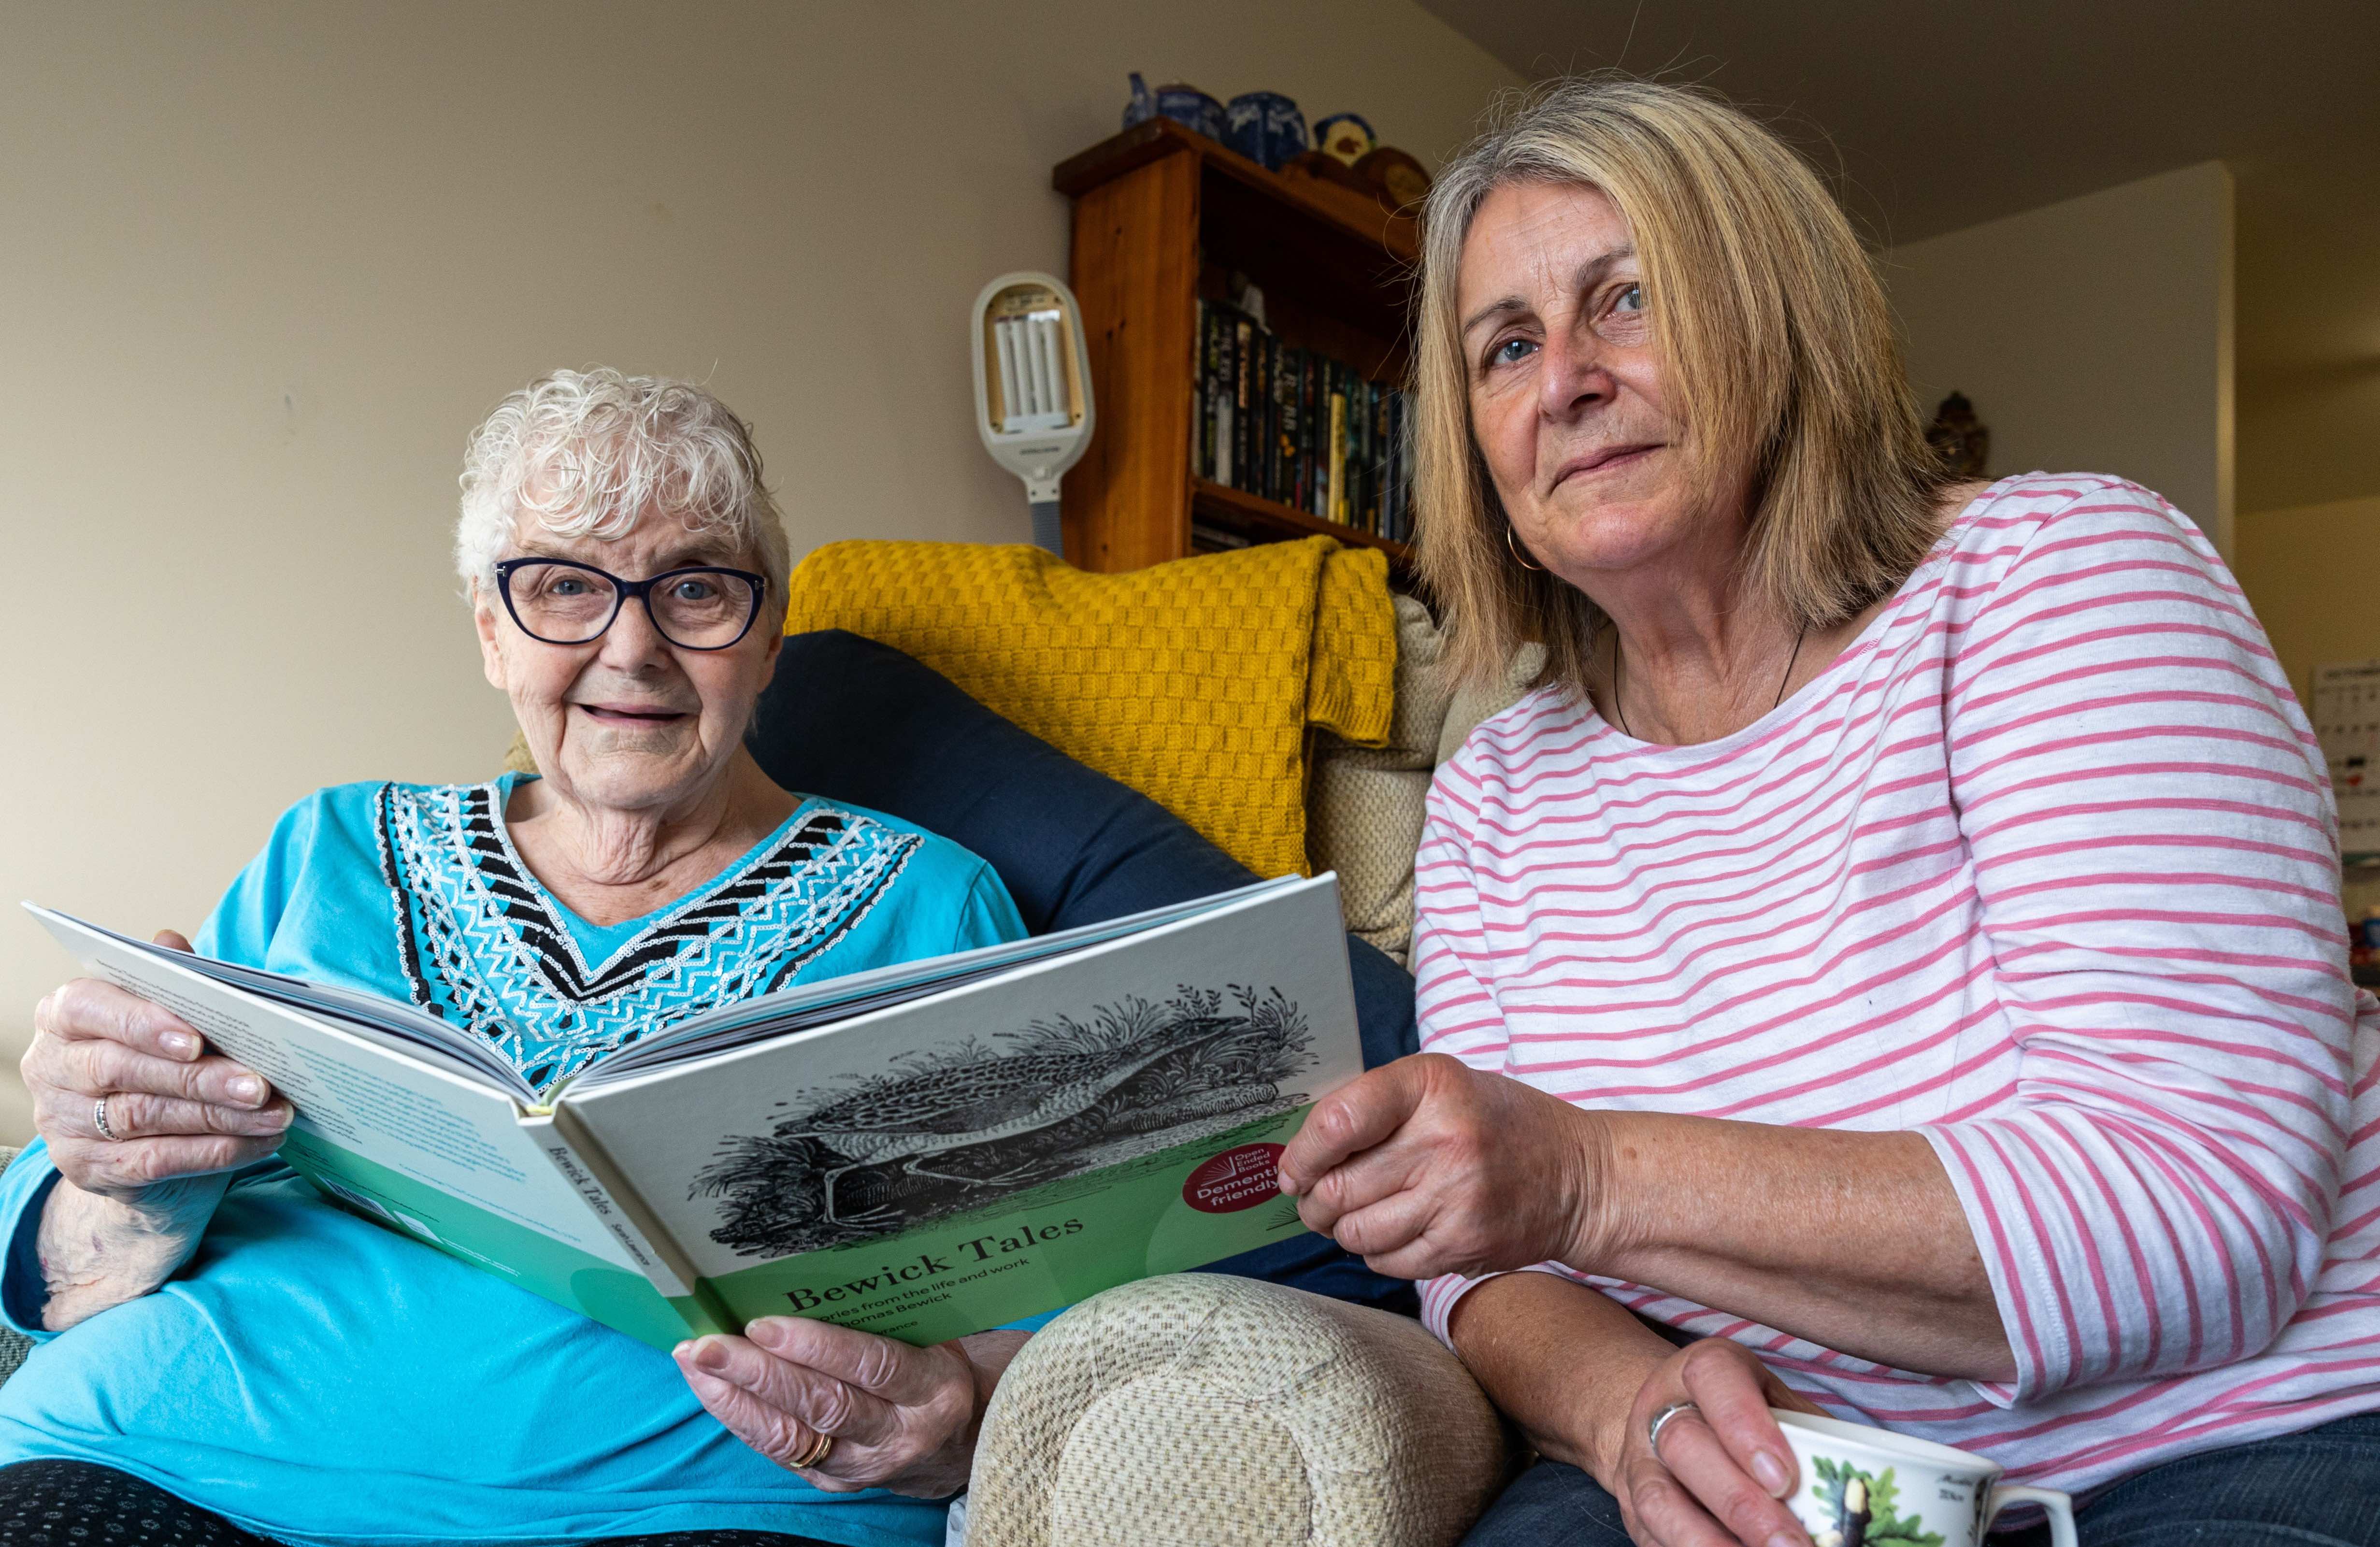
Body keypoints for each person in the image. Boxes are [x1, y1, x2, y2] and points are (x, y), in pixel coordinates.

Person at [1275, 78, 2380, 1547]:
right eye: (1506, 348)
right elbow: (1481, 1270)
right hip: (1805, 1484)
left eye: (1626, 302)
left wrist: (1585, 1174)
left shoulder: (2059, 581)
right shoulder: (1495, 792)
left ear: (1773, 319)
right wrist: (1630, 1410)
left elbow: (2198, 1217)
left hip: (2235, 1440)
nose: (1564, 385)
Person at [4, 369, 1038, 1547]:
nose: (632, 648)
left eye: (696, 589)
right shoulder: (329, 847)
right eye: (563, 587)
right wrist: (125, 1178)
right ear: (495, 635)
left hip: (700, 1505)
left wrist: (956, 1414)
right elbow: (63, 1276)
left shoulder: (930, 901)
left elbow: (1043, 1302)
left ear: (767, 637)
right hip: (161, 1457)